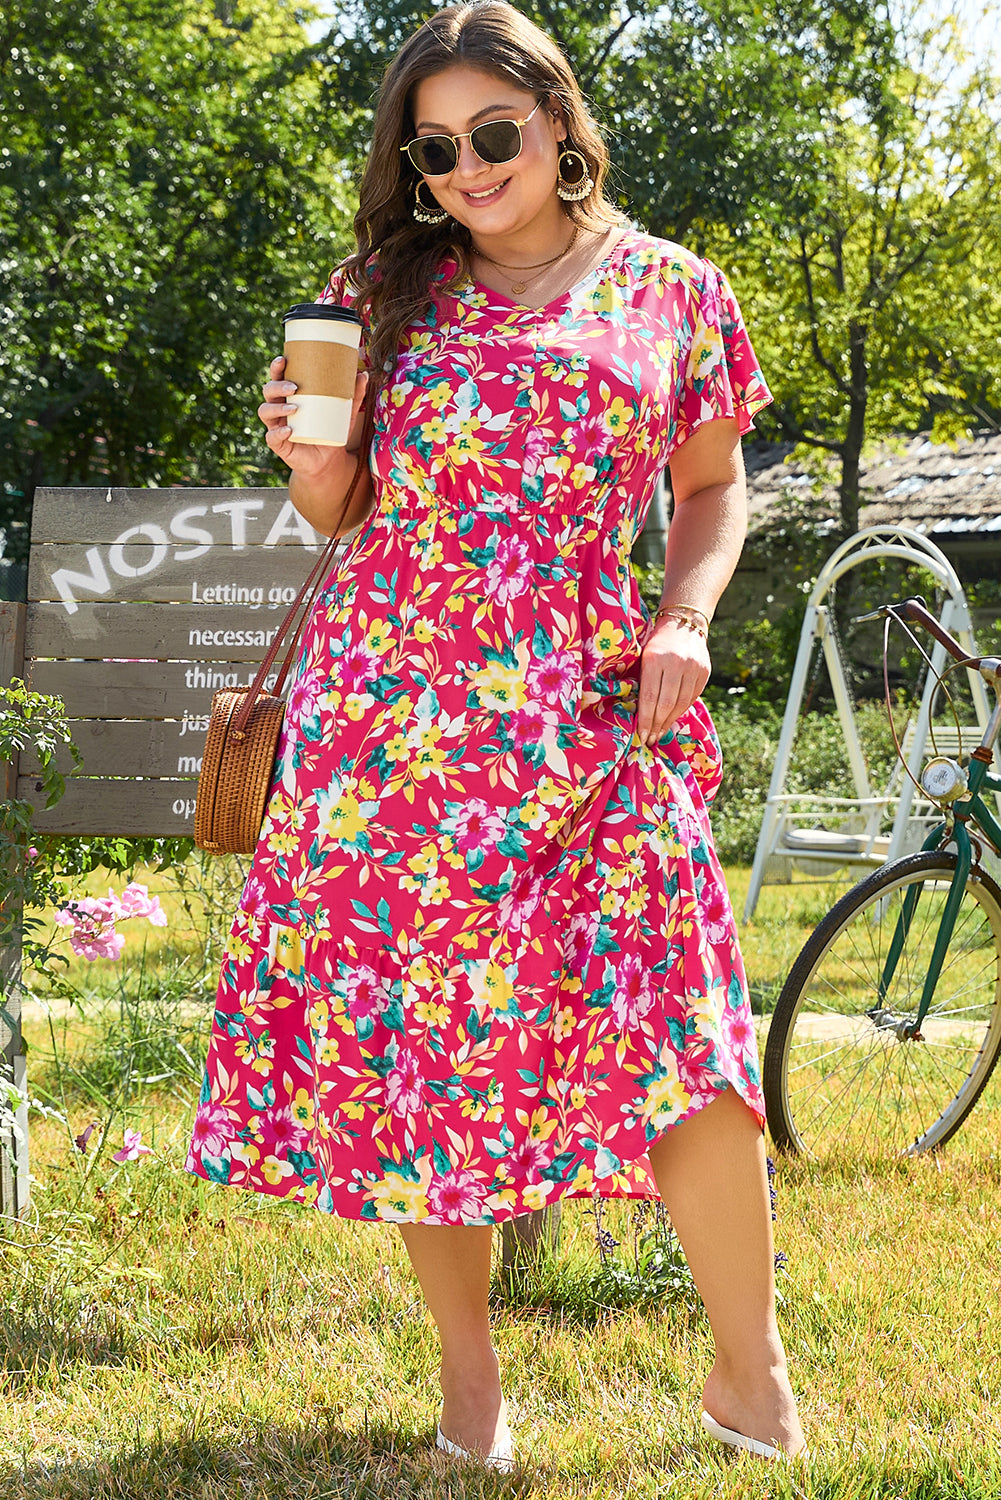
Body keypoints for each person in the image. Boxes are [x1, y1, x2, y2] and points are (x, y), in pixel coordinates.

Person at [186, 0, 806, 1467]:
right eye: (433, 148)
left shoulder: (672, 291)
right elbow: (342, 518)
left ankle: (750, 1374)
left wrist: (684, 617)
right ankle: (471, 1385)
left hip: (595, 716)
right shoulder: (379, 291)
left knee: (688, 1035)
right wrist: (304, 460)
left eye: (492, 134)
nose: (466, 167)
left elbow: (713, 489)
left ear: (558, 122)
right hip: (396, 729)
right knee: (422, 1042)